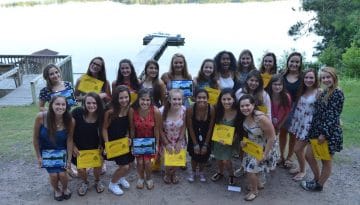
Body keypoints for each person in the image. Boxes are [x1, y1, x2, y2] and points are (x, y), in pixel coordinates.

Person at [301, 67, 344, 191]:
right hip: (317, 131)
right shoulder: (326, 91)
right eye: (323, 77)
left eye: (328, 77)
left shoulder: (337, 93)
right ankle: (317, 179)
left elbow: (333, 115)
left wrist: (324, 134)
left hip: (327, 133)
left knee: (326, 160)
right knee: (308, 155)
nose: (326, 80)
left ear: (334, 77)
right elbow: (320, 109)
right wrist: (319, 97)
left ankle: (319, 185)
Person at [32, 95, 75, 201]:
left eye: (63, 104)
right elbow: (35, 139)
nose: (60, 107)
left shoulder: (70, 120)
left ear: (66, 106)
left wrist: (69, 160)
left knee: (63, 175)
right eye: (57, 104)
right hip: (46, 152)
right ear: (51, 105)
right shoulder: (41, 117)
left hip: (62, 151)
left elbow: (70, 140)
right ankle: (56, 189)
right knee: (54, 176)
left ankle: (65, 188)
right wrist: (39, 157)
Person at [239, 94, 276, 201]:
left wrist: (265, 154)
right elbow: (250, 134)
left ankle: (254, 191)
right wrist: (244, 143)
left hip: (265, 147)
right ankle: (258, 184)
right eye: (242, 106)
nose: (245, 108)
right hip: (253, 146)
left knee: (250, 170)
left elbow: (272, 137)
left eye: (247, 105)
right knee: (251, 167)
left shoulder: (261, 118)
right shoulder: (245, 116)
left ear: (253, 105)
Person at [288, 69, 320, 181]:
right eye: (306, 77)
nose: (308, 80)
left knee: (297, 149)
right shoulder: (302, 90)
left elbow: (323, 110)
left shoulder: (319, 92)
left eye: (311, 77)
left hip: (309, 125)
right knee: (299, 149)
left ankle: (303, 171)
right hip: (299, 122)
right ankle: (301, 167)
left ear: (316, 79)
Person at [102, 85, 134, 195]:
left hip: (124, 141)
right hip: (113, 143)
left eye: (126, 97)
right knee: (124, 166)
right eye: (121, 98)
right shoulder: (110, 112)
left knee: (129, 164)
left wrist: (129, 136)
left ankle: (120, 177)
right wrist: (107, 144)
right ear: (116, 98)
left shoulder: (129, 109)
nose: (124, 100)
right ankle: (113, 183)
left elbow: (129, 127)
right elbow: (104, 129)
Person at [71, 92, 105, 196]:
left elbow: (104, 132)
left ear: (98, 104)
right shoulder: (76, 113)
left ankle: (97, 180)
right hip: (79, 148)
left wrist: (102, 145)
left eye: (94, 103)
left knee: (98, 166)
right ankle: (85, 182)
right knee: (81, 170)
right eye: (88, 103)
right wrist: (73, 146)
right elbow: (69, 132)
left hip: (95, 147)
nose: (91, 105)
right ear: (84, 103)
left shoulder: (101, 116)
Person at [129, 88, 161, 189]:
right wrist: (133, 145)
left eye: (148, 100)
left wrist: (156, 144)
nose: (145, 102)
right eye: (143, 99)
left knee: (147, 162)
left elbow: (157, 129)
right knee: (139, 162)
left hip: (150, 141)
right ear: (138, 99)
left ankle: (149, 178)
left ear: (151, 100)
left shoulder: (155, 111)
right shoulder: (132, 111)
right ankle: (141, 178)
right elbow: (132, 129)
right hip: (138, 141)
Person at [279, 52, 303, 169]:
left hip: (296, 108)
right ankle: (281, 156)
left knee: (293, 134)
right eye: (292, 61)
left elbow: (312, 88)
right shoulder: (282, 75)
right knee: (282, 133)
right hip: (283, 107)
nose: (294, 64)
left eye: (297, 62)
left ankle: (289, 157)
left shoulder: (303, 77)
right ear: (288, 62)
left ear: (300, 63)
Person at [186, 89, 215, 182]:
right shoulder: (190, 109)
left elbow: (211, 128)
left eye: (204, 98)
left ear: (208, 99)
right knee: (194, 156)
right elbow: (189, 127)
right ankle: (193, 172)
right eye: (199, 97)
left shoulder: (211, 109)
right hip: (194, 134)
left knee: (204, 155)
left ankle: (201, 172)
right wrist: (195, 144)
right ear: (195, 98)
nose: (201, 100)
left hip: (206, 134)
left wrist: (206, 144)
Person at [210, 88, 238, 186]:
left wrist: (232, 140)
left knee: (226, 160)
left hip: (231, 141)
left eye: (229, 99)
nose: (226, 102)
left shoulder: (237, 112)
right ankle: (220, 172)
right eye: (224, 99)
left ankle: (231, 174)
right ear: (220, 100)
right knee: (218, 158)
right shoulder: (217, 110)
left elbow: (239, 129)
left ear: (234, 99)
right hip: (218, 140)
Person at [160, 89, 187, 184]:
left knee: (176, 159)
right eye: (174, 99)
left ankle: (174, 173)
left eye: (179, 99)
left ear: (182, 99)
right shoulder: (162, 111)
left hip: (179, 139)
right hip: (166, 139)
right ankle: (167, 173)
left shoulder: (184, 110)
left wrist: (180, 141)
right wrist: (166, 143)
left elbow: (184, 126)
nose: (177, 102)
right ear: (169, 100)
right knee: (167, 160)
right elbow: (160, 129)